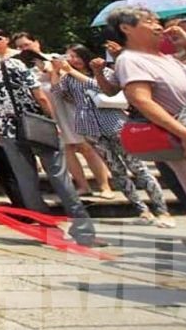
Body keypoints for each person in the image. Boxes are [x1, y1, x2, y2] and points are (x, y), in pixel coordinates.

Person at [0, 31, 102, 247]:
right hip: (36, 122)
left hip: (6, 128)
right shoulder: (15, 65)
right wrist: (53, 121)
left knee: (26, 181)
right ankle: (83, 230)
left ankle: (46, 229)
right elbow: (40, 95)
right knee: (60, 176)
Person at [109, 6, 186, 231]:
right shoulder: (130, 60)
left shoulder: (167, 58)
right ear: (126, 28)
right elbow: (142, 101)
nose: (157, 25)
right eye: (148, 21)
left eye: (157, 19)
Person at [53, 47, 171, 226]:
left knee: (137, 167)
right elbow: (58, 93)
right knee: (116, 170)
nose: (73, 60)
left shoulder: (104, 71)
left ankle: (161, 209)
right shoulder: (68, 78)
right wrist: (56, 71)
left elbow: (102, 88)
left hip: (114, 123)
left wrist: (72, 72)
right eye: (70, 57)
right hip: (90, 127)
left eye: (76, 56)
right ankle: (141, 209)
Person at [15, 33, 113, 198]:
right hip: (50, 112)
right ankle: (82, 185)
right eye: (20, 46)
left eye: (27, 44)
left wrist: (54, 68)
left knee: (86, 147)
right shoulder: (24, 67)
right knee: (67, 149)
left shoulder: (56, 58)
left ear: (36, 42)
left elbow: (69, 80)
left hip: (70, 108)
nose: (25, 49)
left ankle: (105, 186)